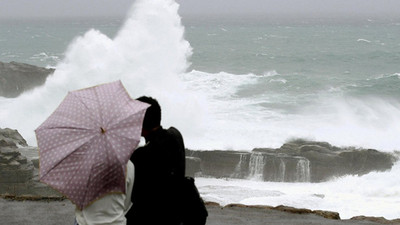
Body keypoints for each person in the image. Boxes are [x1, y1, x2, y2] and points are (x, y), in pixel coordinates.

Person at [126, 96, 186, 225]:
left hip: (150, 217)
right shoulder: (175, 136)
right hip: (176, 214)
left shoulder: (141, 156)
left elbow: (134, 196)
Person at [74, 160, 135, 225]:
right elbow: (126, 203)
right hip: (116, 222)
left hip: (85, 222)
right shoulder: (128, 165)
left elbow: (76, 196)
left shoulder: (84, 162)